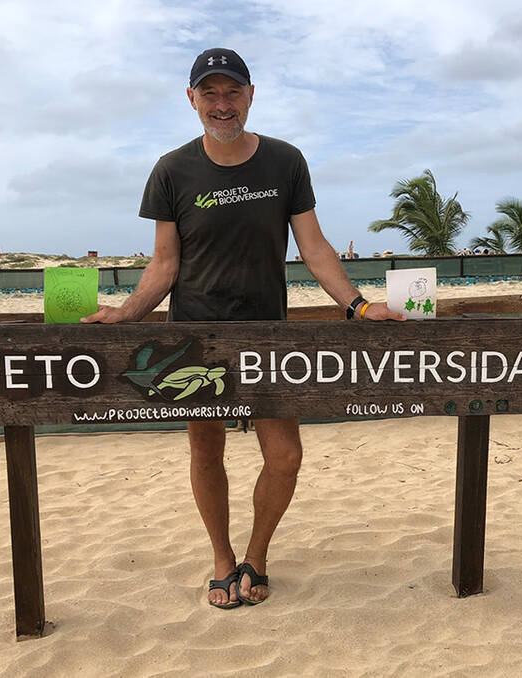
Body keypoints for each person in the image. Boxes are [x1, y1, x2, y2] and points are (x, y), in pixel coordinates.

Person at [81, 48, 405, 609]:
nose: (222, 105)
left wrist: (357, 305)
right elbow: (164, 263)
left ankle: (256, 555)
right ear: (192, 100)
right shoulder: (171, 170)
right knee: (206, 453)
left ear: (251, 96)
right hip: (194, 336)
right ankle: (222, 561)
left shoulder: (285, 161)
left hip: (266, 337)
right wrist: (126, 314)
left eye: (233, 93)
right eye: (210, 94)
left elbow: (314, 246)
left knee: (285, 456)